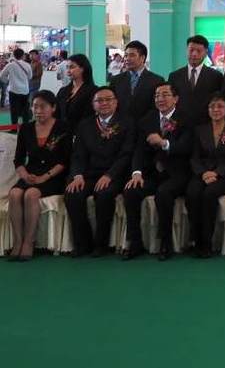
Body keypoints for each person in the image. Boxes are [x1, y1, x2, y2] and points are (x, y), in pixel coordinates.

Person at [122, 82, 193, 261]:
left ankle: (165, 242)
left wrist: (164, 143)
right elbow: (138, 150)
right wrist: (136, 173)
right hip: (153, 173)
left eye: (165, 94)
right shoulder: (147, 119)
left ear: (176, 98)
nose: (160, 99)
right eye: (156, 95)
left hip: (178, 173)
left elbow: (187, 146)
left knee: (164, 193)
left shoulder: (186, 118)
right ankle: (134, 241)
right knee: (131, 191)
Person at [64, 87, 135, 257]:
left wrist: (109, 175)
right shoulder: (85, 124)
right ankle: (83, 243)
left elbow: (126, 154)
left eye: (108, 99)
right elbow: (78, 154)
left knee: (104, 194)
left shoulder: (127, 122)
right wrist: (78, 175)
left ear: (116, 102)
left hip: (115, 174)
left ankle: (101, 244)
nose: (104, 103)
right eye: (99, 100)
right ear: (93, 104)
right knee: (72, 193)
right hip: (88, 174)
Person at [6, 91, 71, 261]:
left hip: (54, 175)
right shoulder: (26, 128)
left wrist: (45, 177)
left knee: (31, 194)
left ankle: (29, 242)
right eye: (35, 106)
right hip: (30, 173)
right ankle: (18, 242)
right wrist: (25, 175)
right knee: (14, 193)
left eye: (43, 106)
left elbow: (65, 160)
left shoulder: (62, 127)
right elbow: (18, 159)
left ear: (53, 108)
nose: (38, 110)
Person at [186, 94, 225, 258]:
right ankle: (195, 240)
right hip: (202, 174)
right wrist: (204, 173)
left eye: (220, 106)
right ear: (208, 110)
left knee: (209, 194)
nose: (216, 110)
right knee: (192, 193)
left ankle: (207, 242)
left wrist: (217, 173)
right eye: (212, 107)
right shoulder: (200, 130)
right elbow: (194, 157)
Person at [168, 35, 224, 124]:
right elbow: (170, 102)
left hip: (206, 125)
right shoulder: (174, 76)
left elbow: (219, 101)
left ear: (206, 53)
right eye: (191, 50)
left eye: (199, 51)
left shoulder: (216, 76)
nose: (194, 54)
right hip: (180, 126)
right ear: (186, 51)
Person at [109, 41, 164, 123]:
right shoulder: (116, 80)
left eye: (132, 55)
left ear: (142, 58)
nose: (127, 59)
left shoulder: (156, 80)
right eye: (126, 55)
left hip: (146, 128)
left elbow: (157, 107)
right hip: (121, 129)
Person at [56, 54, 97, 128]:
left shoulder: (93, 91)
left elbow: (89, 116)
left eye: (72, 67)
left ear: (82, 68)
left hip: (82, 132)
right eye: (67, 67)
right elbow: (56, 113)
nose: (68, 71)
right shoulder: (63, 91)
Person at [1, 48, 33, 125]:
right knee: (25, 110)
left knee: (14, 110)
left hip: (13, 90)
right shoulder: (27, 65)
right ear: (23, 56)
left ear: (14, 55)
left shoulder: (10, 65)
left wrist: (7, 81)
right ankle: (26, 128)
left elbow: (2, 75)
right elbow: (30, 77)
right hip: (25, 90)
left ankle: (14, 128)